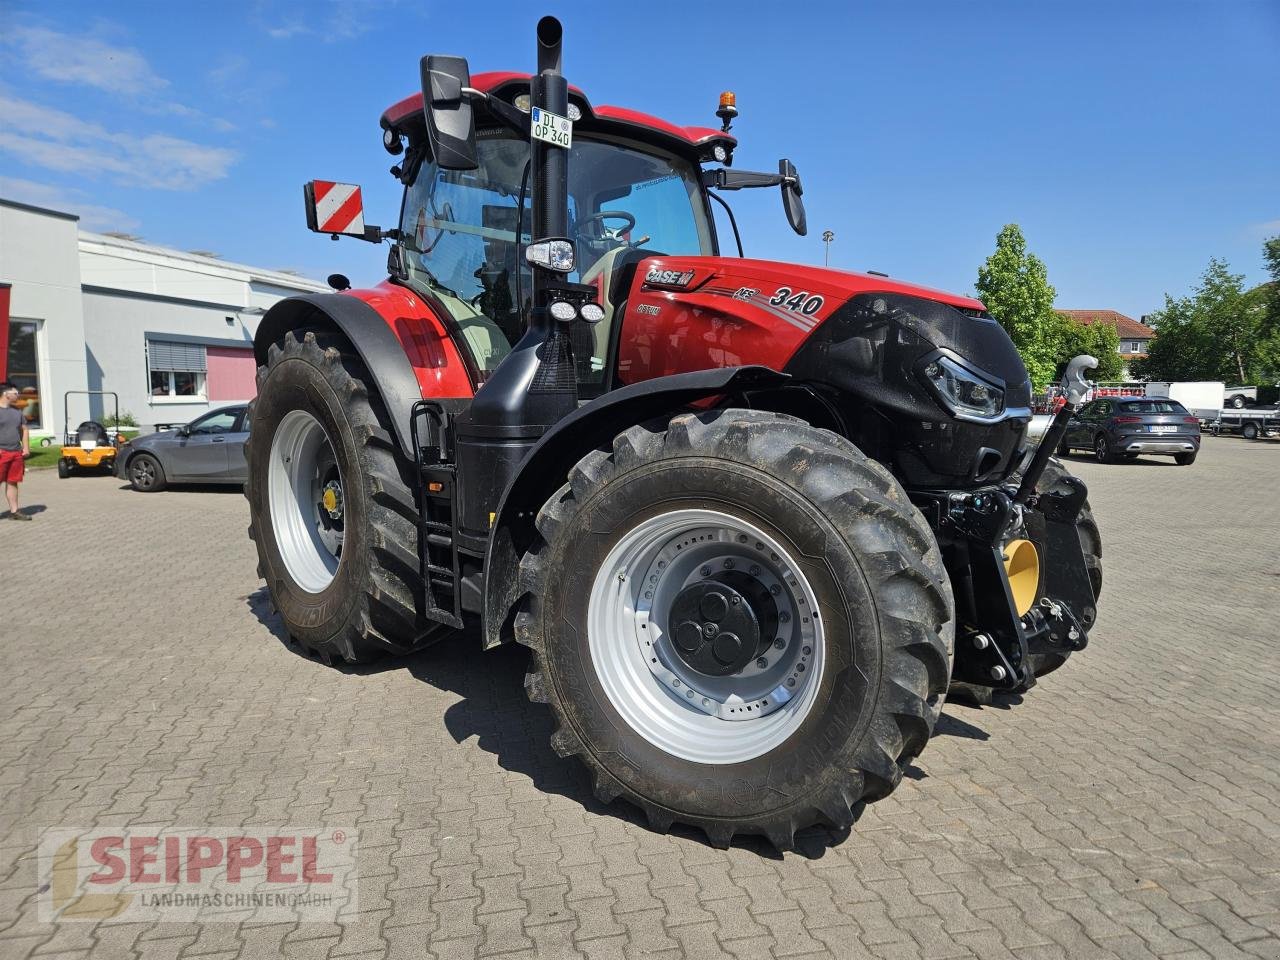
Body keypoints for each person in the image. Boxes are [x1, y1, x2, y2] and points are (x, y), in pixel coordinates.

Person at [0, 382, 32, 520]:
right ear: (6, 394)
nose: (18, 395)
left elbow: (24, 430)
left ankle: (14, 512)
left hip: (16, 453)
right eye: (15, 393)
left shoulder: (17, 411)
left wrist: (25, 447)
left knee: (13, 482)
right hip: (2, 452)